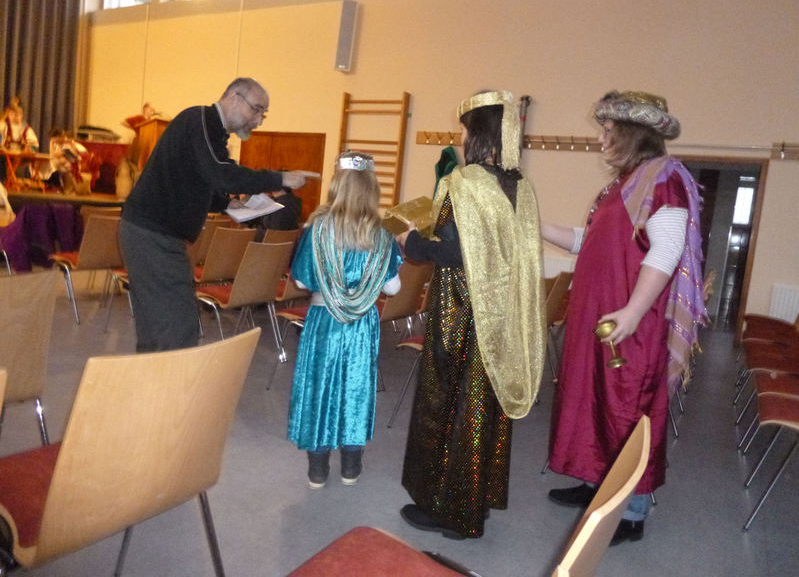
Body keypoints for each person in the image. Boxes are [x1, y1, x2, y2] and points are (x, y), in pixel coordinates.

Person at [543, 91, 707, 545]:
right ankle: (595, 481)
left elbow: (667, 248)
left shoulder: (663, 178)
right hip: (602, 317)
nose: (601, 139)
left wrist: (634, 312)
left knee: (629, 409)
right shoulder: (623, 185)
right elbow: (586, 241)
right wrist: (532, 223)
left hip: (631, 323)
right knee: (595, 399)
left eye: (608, 131)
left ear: (632, 134)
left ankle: (630, 512)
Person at [397, 90, 546, 539]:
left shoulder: (464, 183)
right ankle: (473, 504)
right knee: (482, 409)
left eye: (463, 130)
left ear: (478, 134)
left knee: (449, 406)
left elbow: (455, 252)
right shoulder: (521, 188)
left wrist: (412, 242)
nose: (460, 138)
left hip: (461, 314)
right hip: (502, 320)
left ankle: (452, 513)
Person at [119, 77, 306, 352]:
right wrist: (280, 179)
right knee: (175, 325)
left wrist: (226, 204)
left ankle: (157, 376)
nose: (258, 120)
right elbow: (221, 173)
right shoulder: (200, 120)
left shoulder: (212, 132)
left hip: (157, 235)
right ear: (234, 97)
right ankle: (165, 377)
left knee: (165, 324)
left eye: (263, 114)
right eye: (256, 110)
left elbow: (198, 179)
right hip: (151, 234)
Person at [287, 151, 402, 488]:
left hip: (323, 320)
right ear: (372, 189)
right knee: (355, 387)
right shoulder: (382, 236)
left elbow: (301, 281)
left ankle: (317, 469)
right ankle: (351, 466)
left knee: (318, 387)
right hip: (361, 325)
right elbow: (393, 288)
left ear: (336, 186)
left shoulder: (317, 231)